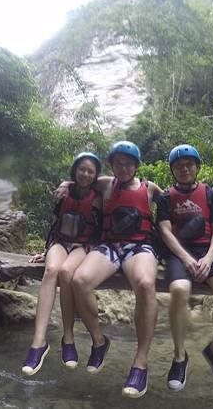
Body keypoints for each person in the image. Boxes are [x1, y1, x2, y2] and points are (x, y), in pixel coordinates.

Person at [57, 141, 162, 398]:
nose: (123, 168)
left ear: (136, 166)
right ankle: (99, 341)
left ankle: (140, 362)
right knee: (79, 280)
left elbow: (175, 203)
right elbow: (80, 179)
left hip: (139, 247)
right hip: (109, 246)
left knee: (146, 284)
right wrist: (64, 184)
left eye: (128, 163)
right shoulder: (105, 183)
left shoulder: (150, 188)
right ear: (113, 165)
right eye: (118, 163)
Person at [156, 144, 213, 391]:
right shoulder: (166, 197)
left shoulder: (210, 194)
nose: (184, 169)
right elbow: (165, 231)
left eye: (189, 164)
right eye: (179, 166)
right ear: (173, 170)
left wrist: (209, 258)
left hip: (207, 252)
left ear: (197, 167)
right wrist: (187, 259)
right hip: (179, 254)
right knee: (179, 290)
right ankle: (180, 356)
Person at [21, 152, 102, 376]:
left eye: (90, 171)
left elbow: (100, 228)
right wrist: (46, 251)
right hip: (60, 242)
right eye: (82, 169)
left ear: (96, 175)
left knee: (66, 271)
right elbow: (56, 223)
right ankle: (39, 342)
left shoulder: (98, 196)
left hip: (82, 246)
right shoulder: (64, 193)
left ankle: (69, 338)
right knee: (52, 270)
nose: (85, 174)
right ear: (75, 170)